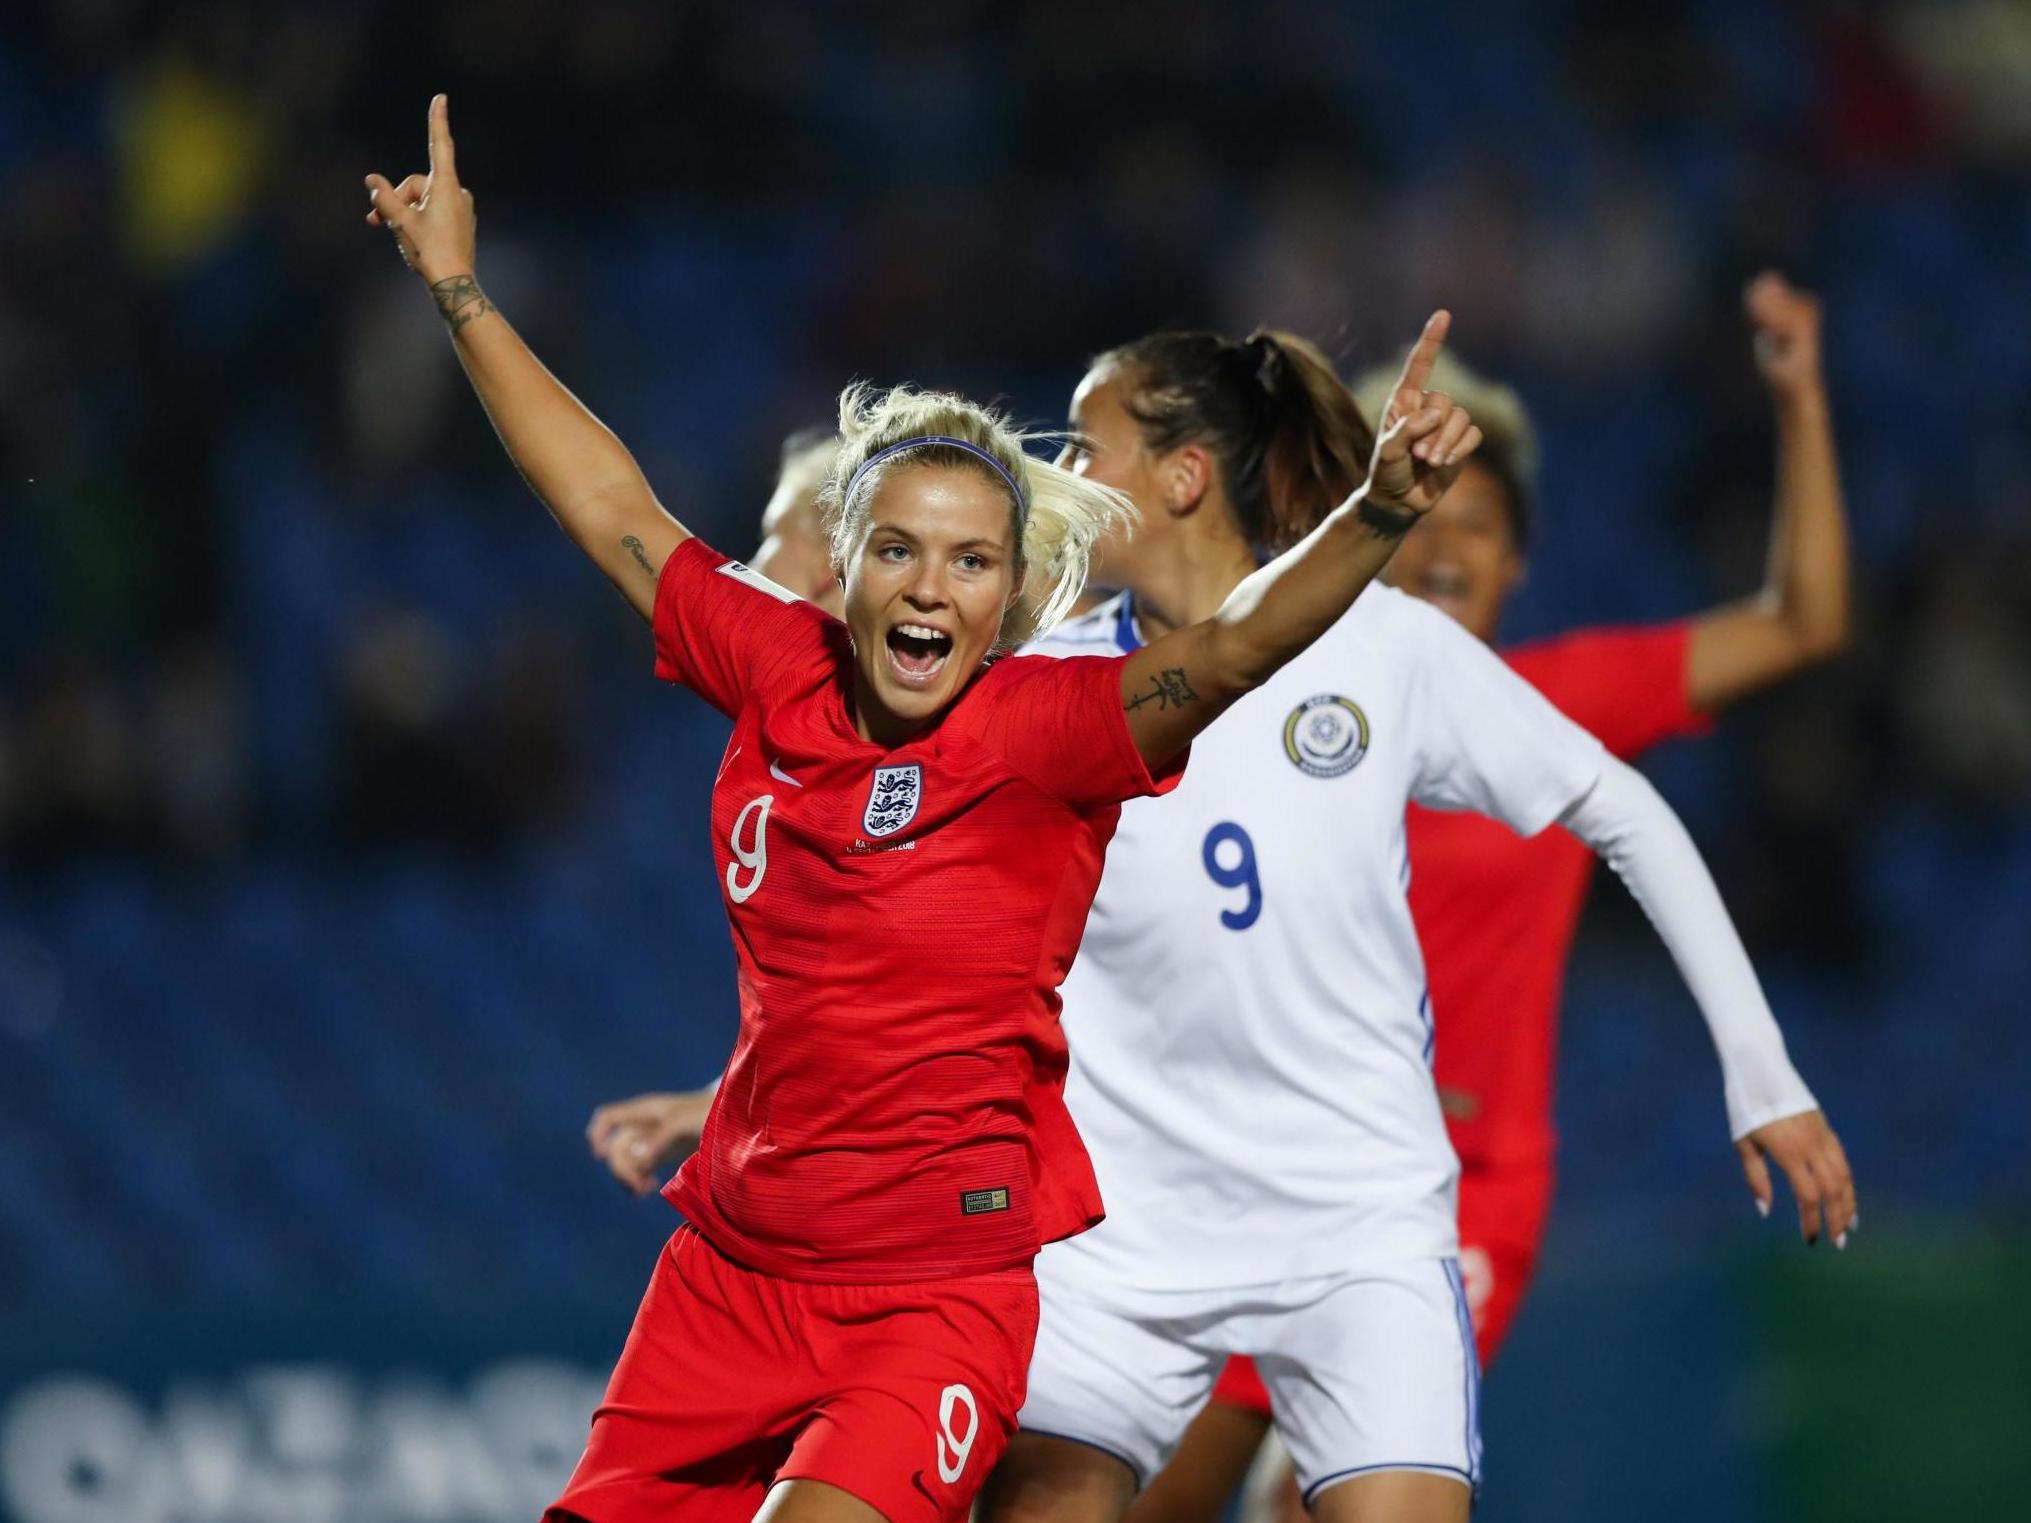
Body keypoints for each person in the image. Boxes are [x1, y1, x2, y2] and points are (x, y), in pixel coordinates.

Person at [363, 96, 1479, 1523]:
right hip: (729, 1275)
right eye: (896, 549)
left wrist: (1375, 515)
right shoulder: (778, 663)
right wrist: (459, 290)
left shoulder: (1050, 731)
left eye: (967, 561)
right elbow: (609, 505)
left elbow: (1235, 644)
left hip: (929, 1300)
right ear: (852, 567)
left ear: (1009, 593)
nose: (926, 585)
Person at [970, 325, 1855, 1523]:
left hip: (1357, 1229)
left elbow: (1628, 811)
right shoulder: (1036, 688)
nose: (1058, 476)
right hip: (1120, 1239)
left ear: (1182, 476)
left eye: (1086, 446)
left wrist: (1764, 1075)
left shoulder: (1382, 653)